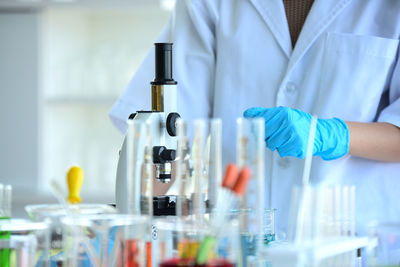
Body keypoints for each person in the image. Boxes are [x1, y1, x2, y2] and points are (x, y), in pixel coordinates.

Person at [110, 0, 400, 236]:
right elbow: (167, 134)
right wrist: (130, 226)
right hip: (237, 237)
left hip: (352, 239)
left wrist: (334, 135)